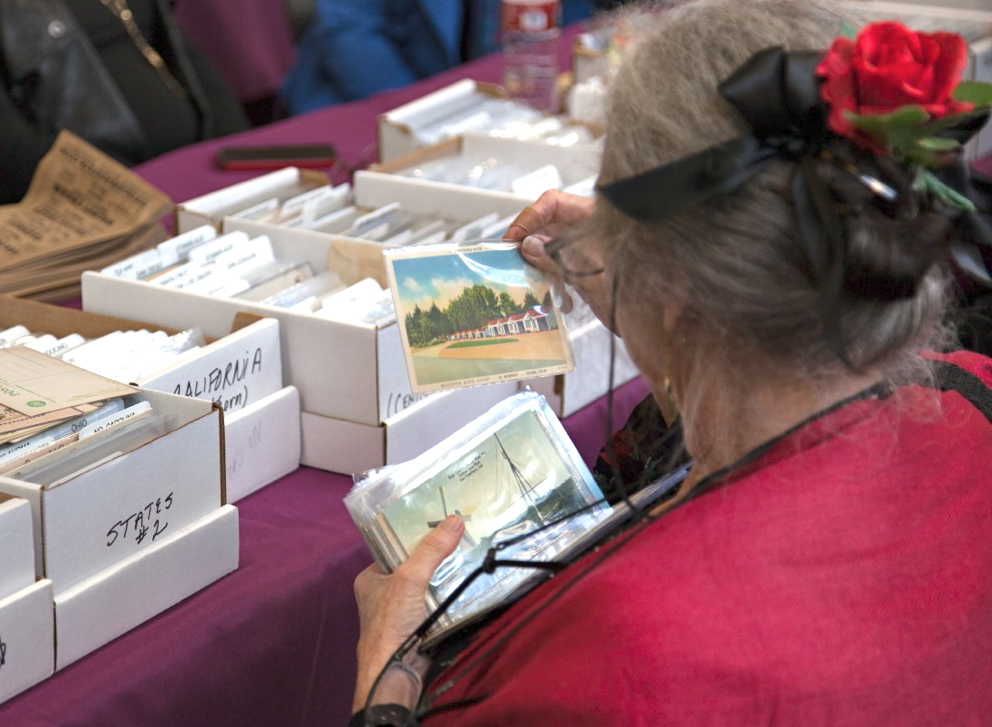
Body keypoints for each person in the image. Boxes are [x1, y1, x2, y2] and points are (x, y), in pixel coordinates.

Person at [349, 0, 992, 724]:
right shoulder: (976, 393)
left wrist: (385, 685)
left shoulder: (625, 647)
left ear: (671, 278)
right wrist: (664, 302)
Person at [0, 0, 250, 204]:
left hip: (197, 175)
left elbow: (186, 57)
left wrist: (236, 151)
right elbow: (12, 146)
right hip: (99, 201)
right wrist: (127, 192)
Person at [280, 0, 596, 115]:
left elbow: (571, 24)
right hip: (366, 97)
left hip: (498, 103)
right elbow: (348, 31)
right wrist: (427, 115)